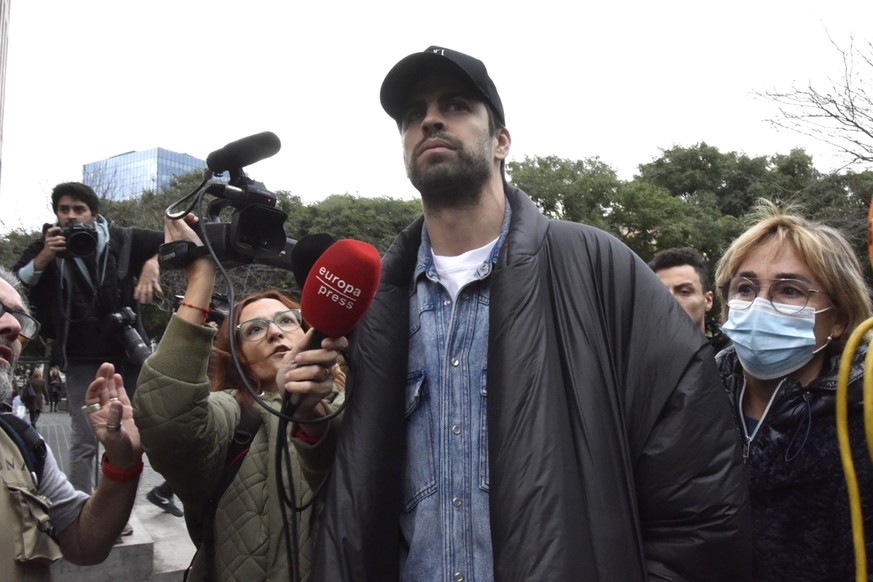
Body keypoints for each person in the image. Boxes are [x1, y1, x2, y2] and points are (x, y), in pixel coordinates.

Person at [308, 46, 753, 581]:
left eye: (454, 105)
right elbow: (359, 505)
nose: (429, 120)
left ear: (501, 141)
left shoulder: (598, 267)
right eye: (412, 115)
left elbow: (696, 482)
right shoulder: (379, 305)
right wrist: (311, 415)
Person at [134, 215, 348, 582]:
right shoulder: (231, 413)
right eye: (254, 329)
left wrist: (311, 412)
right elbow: (167, 419)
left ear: (309, 330)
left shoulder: (359, 401)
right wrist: (201, 277)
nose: (274, 334)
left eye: (286, 320)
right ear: (239, 357)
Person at [714, 199, 873, 581]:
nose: (759, 305)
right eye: (746, 287)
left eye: (789, 291)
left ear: (837, 320)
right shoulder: (689, 403)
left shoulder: (863, 415)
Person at [11, 181, 181, 516]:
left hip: (128, 351)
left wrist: (153, 263)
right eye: (64, 210)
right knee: (85, 438)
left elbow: (177, 235)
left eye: (79, 210)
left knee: (132, 431)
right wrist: (46, 256)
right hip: (79, 355)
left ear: (94, 212)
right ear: (56, 214)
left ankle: (117, 513)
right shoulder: (48, 245)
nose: (72, 217)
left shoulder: (125, 239)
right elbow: (17, 284)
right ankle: (79, 513)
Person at [0, 266, 143, 581]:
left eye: (20, 319)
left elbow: (83, 542)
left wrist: (124, 465)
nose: (12, 326)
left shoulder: (23, 443)